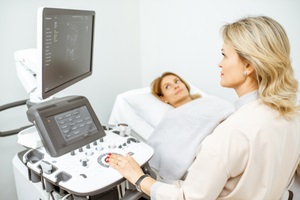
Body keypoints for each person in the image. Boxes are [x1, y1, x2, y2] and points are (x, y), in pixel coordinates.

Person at [106, 16, 300, 199]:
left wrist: (138, 178)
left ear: (248, 66)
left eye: (224, 55)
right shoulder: (292, 116)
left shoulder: (229, 134)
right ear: (162, 98)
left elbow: (188, 197)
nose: (219, 63)